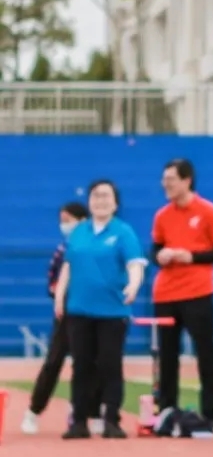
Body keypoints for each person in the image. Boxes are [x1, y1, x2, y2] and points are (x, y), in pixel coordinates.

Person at [54, 180, 146, 439]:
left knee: (109, 366)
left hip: (112, 312)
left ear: (115, 202)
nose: (100, 200)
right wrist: (60, 296)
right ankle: (79, 421)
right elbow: (68, 266)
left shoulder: (123, 232)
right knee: (81, 366)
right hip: (79, 310)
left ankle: (111, 420)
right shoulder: (79, 232)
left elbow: (135, 264)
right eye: (95, 195)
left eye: (106, 196)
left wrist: (133, 286)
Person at [151, 158, 213, 430]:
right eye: (164, 180)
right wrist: (160, 255)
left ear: (186, 180)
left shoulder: (209, 212)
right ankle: (166, 410)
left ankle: (210, 413)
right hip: (165, 294)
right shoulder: (162, 215)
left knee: (205, 353)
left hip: (198, 292)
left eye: (171, 180)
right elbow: (154, 249)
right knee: (167, 355)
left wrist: (191, 256)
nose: (166, 185)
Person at [20, 201, 100, 435]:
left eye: (68, 220)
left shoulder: (95, 247)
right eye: (62, 221)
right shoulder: (62, 250)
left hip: (92, 311)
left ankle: (89, 412)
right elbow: (52, 283)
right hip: (66, 313)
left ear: (82, 220)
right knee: (54, 361)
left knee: (89, 363)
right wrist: (62, 295)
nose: (64, 225)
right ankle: (33, 411)